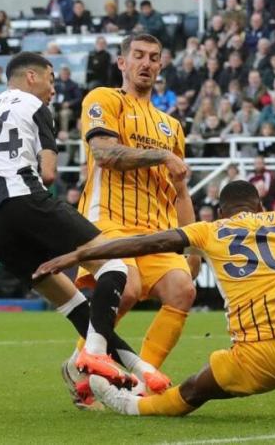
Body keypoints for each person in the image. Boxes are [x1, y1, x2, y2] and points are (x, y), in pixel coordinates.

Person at [36, 135, 275, 417]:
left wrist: (81, 252)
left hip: (256, 357)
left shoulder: (210, 231)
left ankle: (135, 406)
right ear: (259, 204)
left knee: (192, 392)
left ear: (221, 211)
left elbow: (142, 245)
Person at [0, 51, 169, 407]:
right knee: (115, 265)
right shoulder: (34, 107)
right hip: (26, 199)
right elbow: (48, 173)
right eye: (51, 79)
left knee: (73, 304)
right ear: (32, 77)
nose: (54, 88)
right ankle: (95, 353)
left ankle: (137, 368)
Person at [68, 34, 198, 384]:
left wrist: (193, 245)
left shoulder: (171, 127)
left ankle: (143, 382)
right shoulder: (103, 99)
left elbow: (180, 189)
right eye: (138, 56)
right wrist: (162, 155)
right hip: (108, 219)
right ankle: (81, 368)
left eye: (154, 58)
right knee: (125, 288)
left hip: (156, 229)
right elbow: (106, 154)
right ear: (122, 63)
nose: (146, 63)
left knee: (183, 291)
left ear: (160, 66)